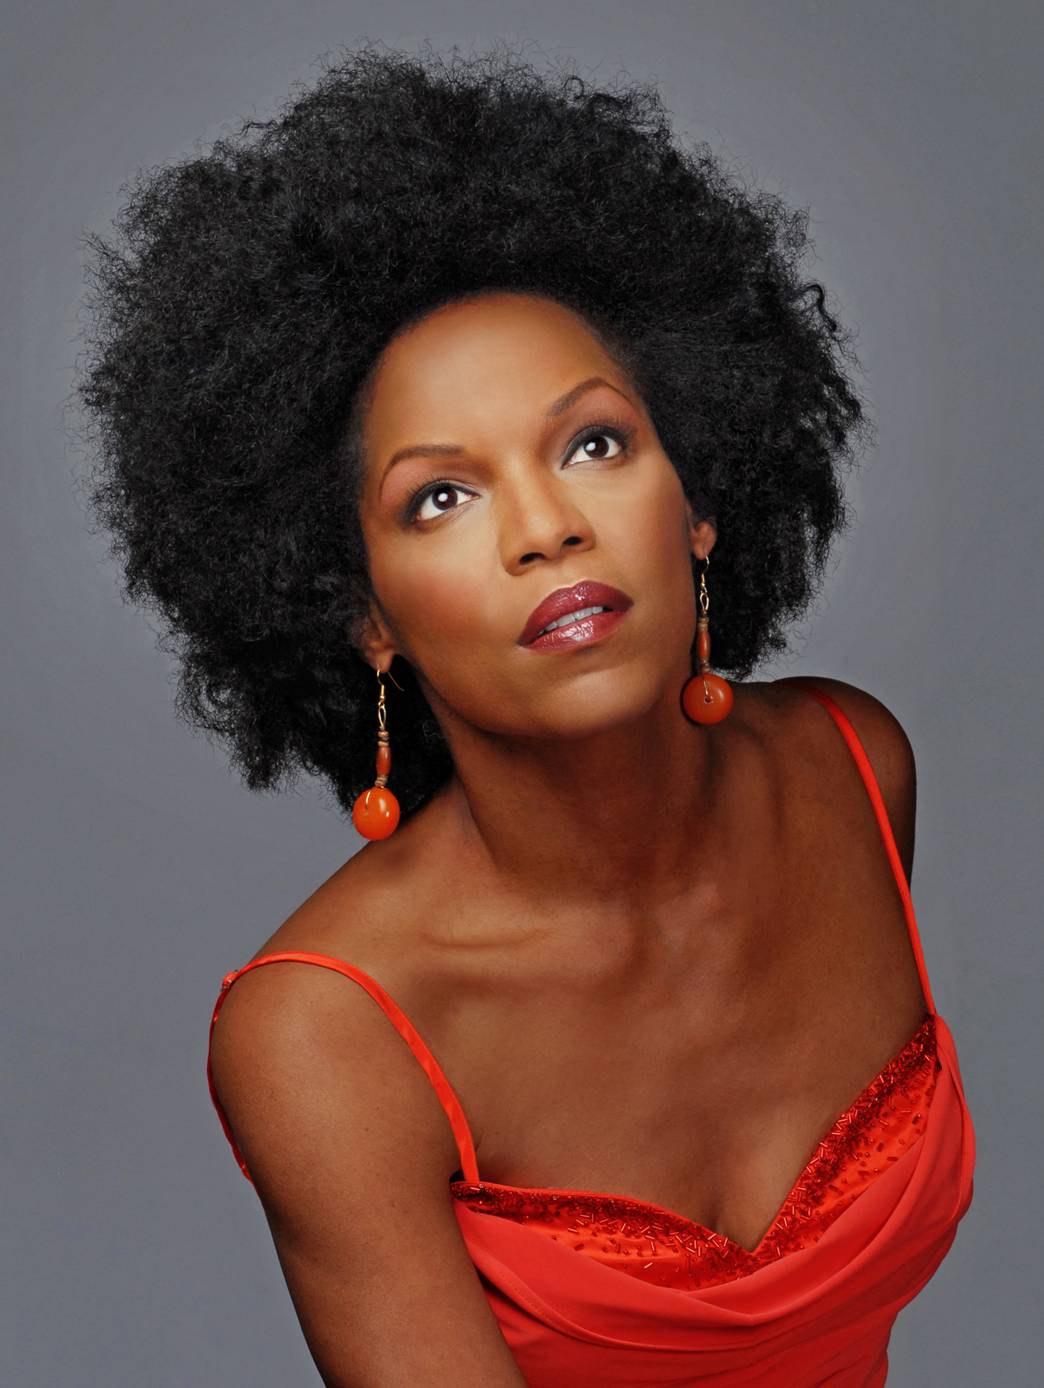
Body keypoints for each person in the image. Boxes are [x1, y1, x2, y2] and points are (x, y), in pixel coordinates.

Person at [73, 39, 975, 1388]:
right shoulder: (327, 1037)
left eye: (593, 443)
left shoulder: (856, 767)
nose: (546, 528)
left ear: (698, 499)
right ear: (363, 612)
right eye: (441, 496)